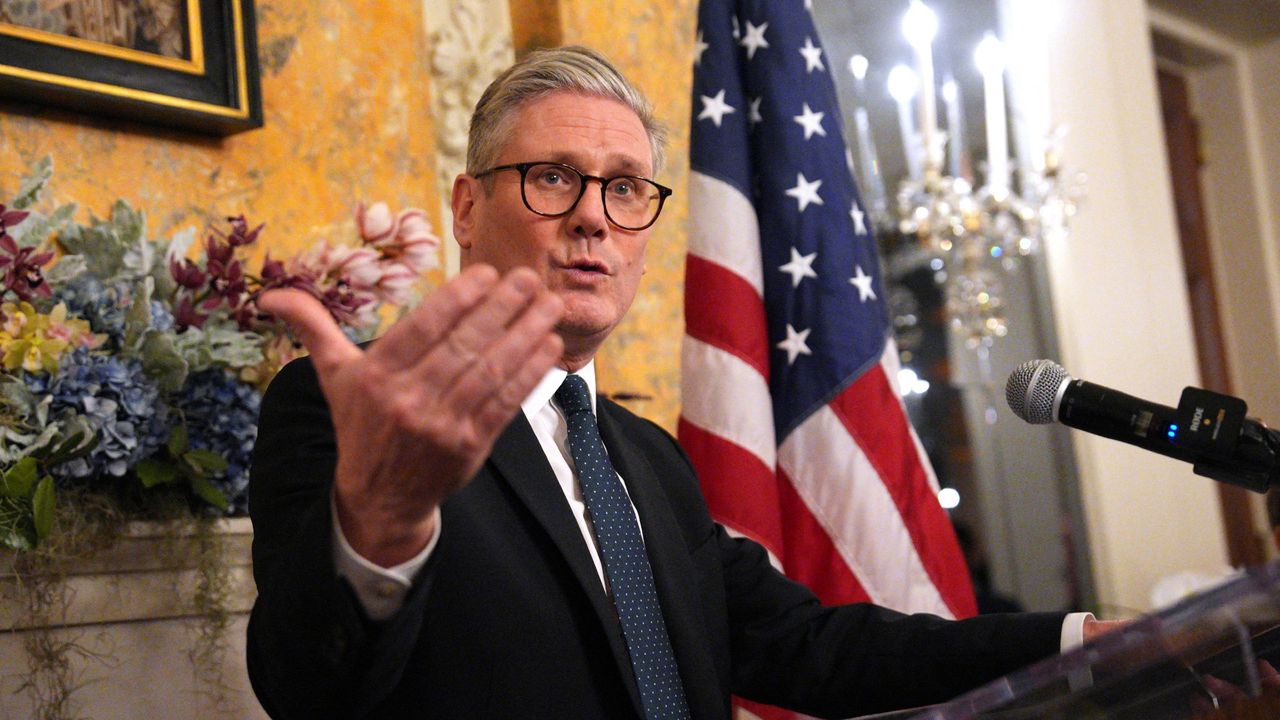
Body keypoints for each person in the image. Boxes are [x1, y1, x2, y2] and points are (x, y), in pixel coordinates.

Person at [246, 46, 1111, 720]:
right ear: (467, 208)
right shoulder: (349, 413)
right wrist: (379, 529)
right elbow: (305, 692)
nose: (593, 215)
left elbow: (807, 645)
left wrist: (1084, 642)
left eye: (625, 188)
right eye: (553, 177)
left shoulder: (651, 460)